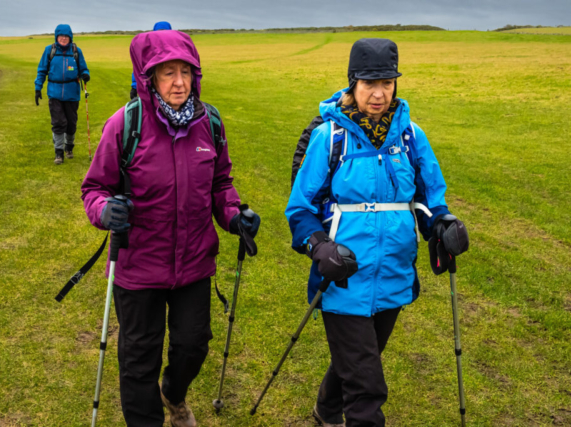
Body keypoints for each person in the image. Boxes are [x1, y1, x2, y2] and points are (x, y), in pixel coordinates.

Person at [285, 38, 469, 427]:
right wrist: (319, 246)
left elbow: (428, 198)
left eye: (387, 82)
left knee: (360, 358)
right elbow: (299, 208)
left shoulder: (410, 136)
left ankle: (325, 409)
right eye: (369, 83)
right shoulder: (329, 137)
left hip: (393, 276)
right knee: (367, 386)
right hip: (342, 277)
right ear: (353, 83)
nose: (379, 93)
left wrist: (442, 224)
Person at [81, 30, 260, 427]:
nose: (179, 82)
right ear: (148, 79)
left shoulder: (209, 122)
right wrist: (105, 210)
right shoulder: (124, 125)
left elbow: (220, 184)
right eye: (167, 73)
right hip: (139, 266)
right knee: (138, 359)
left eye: (186, 72)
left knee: (193, 346)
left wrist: (233, 215)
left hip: (194, 262)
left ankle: (174, 393)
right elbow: (94, 188)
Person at [35, 24, 90, 164]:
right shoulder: (50, 51)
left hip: (72, 92)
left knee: (71, 124)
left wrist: (85, 75)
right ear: (56, 37)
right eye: (61, 36)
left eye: (66, 36)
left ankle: (69, 147)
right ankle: (59, 153)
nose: (64, 39)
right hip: (54, 92)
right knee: (58, 123)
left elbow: (83, 68)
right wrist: (38, 88)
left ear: (70, 37)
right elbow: (42, 70)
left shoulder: (76, 51)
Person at [130, 21, 172, 100]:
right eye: (159, 32)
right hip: (151, 88)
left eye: (164, 32)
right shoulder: (148, 49)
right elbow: (139, 67)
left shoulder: (175, 50)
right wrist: (134, 87)